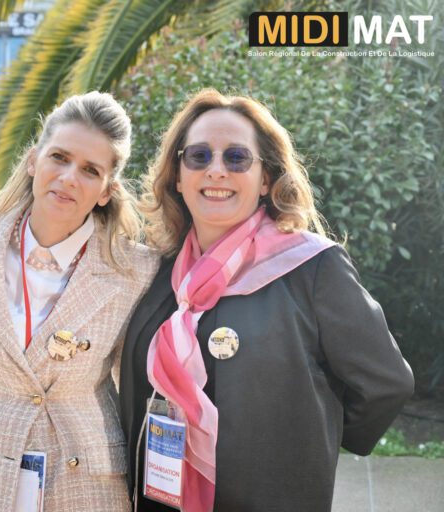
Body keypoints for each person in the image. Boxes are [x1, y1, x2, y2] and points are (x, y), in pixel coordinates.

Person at [118, 89, 414, 512]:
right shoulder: (161, 272)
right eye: (198, 156)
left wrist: (309, 440)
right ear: (178, 177)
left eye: (237, 158)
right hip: (162, 497)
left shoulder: (312, 268)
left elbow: (386, 382)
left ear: (266, 179)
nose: (216, 170)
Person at [0, 92, 159, 511]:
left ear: (107, 191)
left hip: (83, 481)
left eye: (90, 170)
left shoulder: (137, 270)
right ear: (33, 161)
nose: (69, 177)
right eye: (59, 157)